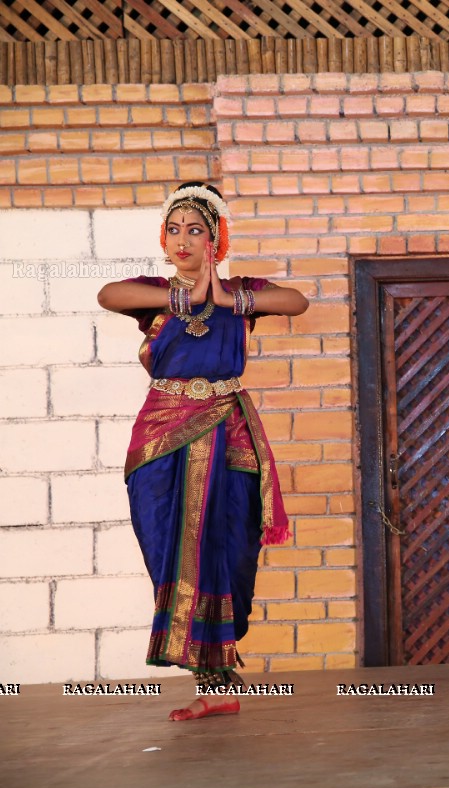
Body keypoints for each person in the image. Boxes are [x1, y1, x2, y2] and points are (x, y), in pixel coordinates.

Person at [97, 181, 309, 719]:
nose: (184, 240)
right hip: (162, 437)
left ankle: (217, 684)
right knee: (164, 541)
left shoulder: (243, 293)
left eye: (197, 230)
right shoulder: (152, 293)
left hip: (227, 432)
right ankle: (206, 675)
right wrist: (180, 297)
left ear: (217, 240)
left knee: (228, 548)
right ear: (163, 239)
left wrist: (225, 298)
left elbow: (297, 301)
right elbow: (108, 295)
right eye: (175, 229)